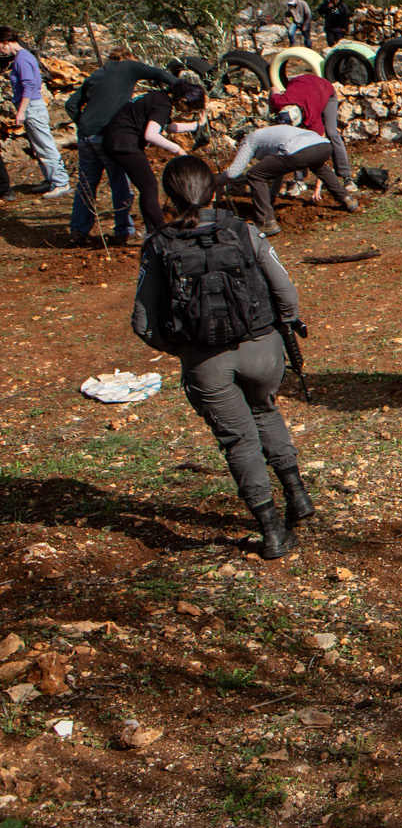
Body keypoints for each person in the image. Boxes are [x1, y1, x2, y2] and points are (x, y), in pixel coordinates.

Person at [132, 155, 314, 560]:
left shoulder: (158, 244)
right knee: (266, 411)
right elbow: (284, 289)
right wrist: (285, 326)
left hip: (205, 362)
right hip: (263, 347)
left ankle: (272, 532)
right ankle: (297, 496)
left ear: (169, 197)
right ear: (213, 191)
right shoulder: (243, 230)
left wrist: (184, 349)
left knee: (238, 440)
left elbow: (143, 323)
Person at [62, 51, 173, 243]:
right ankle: (123, 230)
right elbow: (159, 73)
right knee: (119, 182)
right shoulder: (128, 66)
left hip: (86, 136)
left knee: (86, 184)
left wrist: (84, 123)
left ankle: (79, 230)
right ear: (127, 59)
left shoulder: (96, 74)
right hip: (110, 137)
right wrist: (182, 87)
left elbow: (71, 104)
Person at [219, 109, 360, 236]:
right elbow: (278, 172)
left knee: (254, 174)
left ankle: (267, 222)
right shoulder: (272, 134)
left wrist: (216, 181)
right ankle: (347, 199)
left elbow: (233, 173)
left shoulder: (249, 140)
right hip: (323, 145)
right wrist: (271, 197)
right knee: (319, 167)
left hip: (298, 150)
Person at [100, 77, 206, 236]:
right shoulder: (162, 105)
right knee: (150, 187)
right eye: (190, 108)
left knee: (147, 188)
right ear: (182, 101)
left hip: (116, 141)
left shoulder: (158, 98)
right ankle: (163, 233)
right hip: (123, 143)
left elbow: (168, 127)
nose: (189, 112)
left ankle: (152, 232)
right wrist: (177, 149)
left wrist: (196, 125)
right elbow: (151, 135)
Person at [0, 27, 71, 200]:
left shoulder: (22, 59)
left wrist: (21, 111)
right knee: (38, 145)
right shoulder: (23, 57)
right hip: (31, 106)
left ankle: (61, 182)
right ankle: (51, 179)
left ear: (6, 42)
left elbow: (29, 86)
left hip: (31, 107)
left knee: (45, 145)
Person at [268, 62, 351, 191]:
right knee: (296, 141)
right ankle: (299, 181)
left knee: (332, 133)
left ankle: (347, 177)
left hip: (325, 90)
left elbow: (321, 150)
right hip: (300, 83)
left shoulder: (313, 119)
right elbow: (274, 88)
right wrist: (271, 110)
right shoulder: (280, 102)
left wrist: (317, 188)